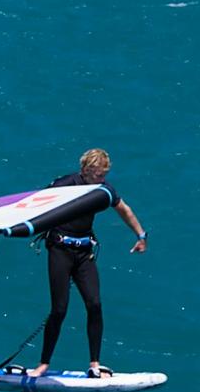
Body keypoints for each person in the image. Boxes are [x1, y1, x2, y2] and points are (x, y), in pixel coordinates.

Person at [31, 148, 148, 376]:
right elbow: (36, 201)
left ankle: (94, 364)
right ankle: (44, 364)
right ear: (85, 170)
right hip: (60, 250)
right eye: (97, 175)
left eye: (104, 175)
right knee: (59, 309)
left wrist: (141, 235)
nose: (101, 180)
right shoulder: (67, 183)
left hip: (84, 252)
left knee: (94, 304)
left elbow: (124, 209)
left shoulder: (103, 190)